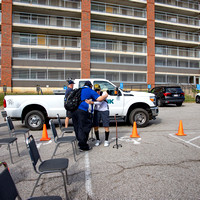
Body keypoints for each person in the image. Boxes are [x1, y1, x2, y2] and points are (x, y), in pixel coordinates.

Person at [72, 81, 108, 151]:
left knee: (78, 128)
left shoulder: (79, 89)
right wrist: (106, 95)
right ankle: (83, 146)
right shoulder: (89, 90)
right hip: (82, 111)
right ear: (91, 86)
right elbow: (100, 99)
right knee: (84, 128)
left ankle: (80, 143)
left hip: (74, 111)